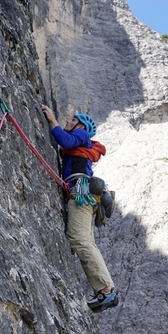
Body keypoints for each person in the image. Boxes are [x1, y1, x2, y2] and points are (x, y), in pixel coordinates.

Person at [42, 105, 118, 313]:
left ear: (81, 126)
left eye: (72, 120)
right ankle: (105, 288)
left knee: (80, 239)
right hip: (83, 192)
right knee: (85, 239)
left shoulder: (81, 134)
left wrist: (52, 121)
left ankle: (105, 289)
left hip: (81, 192)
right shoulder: (79, 144)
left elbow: (66, 140)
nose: (68, 121)